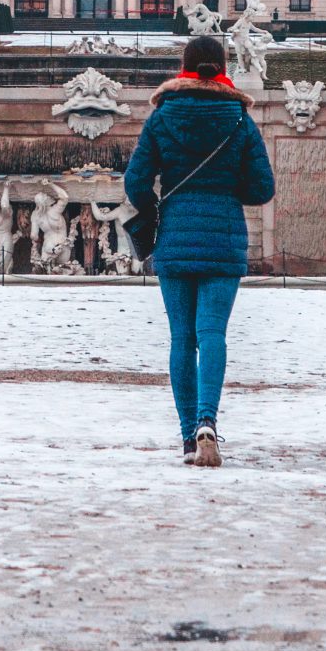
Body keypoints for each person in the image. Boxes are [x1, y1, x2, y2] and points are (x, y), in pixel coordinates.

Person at [123, 32, 275, 467]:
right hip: (224, 238)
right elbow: (262, 187)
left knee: (181, 339)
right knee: (212, 335)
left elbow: (135, 182)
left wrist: (159, 205)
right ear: (223, 69)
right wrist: (228, 191)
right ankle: (209, 420)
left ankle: (189, 436)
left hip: (174, 235)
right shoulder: (240, 120)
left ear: (183, 67)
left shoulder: (162, 117)